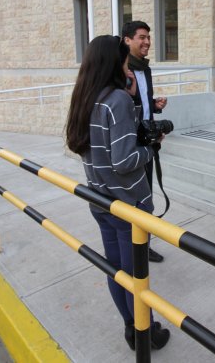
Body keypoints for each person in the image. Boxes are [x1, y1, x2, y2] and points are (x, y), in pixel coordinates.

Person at [64, 35, 170, 351]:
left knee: (115, 269)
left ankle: (131, 328)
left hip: (99, 199)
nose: (129, 68)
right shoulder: (117, 100)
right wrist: (151, 148)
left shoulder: (85, 97)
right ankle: (145, 331)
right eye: (125, 62)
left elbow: (95, 149)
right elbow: (125, 160)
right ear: (115, 63)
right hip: (128, 203)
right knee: (137, 276)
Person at [122, 20, 168, 263]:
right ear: (127, 40)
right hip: (129, 145)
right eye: (142, 37)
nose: (147, 42)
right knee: (131, 197)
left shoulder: (145, 69)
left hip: (147, 141)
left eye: (148, 37)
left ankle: (144, 244)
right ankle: (128, 244)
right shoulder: (119, 69)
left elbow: (142, 103)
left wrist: (155, 107)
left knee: (146, 195)